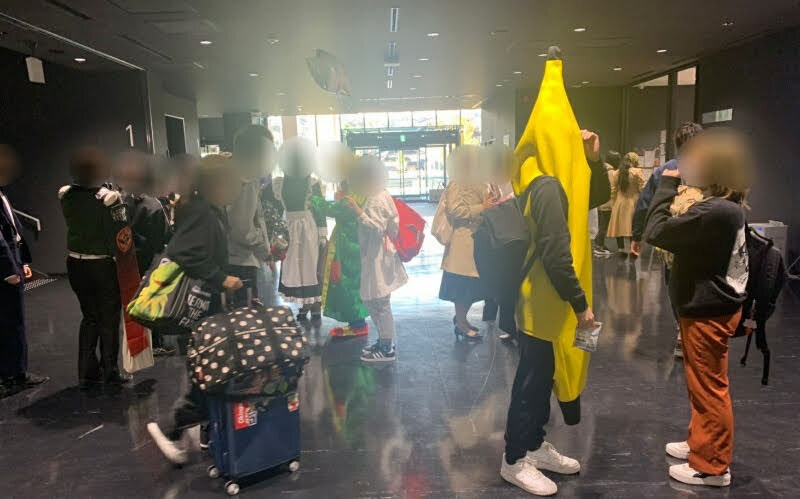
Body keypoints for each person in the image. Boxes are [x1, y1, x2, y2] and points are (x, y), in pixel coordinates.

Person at [500, 53, 604, 496]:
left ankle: (535, 444)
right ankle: (514, 458)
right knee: (532, 381)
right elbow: (557, 253)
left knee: (541, 377)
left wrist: (593, 160)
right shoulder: (546, 186)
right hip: (543, 301)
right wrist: (582, 306)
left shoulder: (542, 175)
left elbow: (591, 198)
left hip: (544, 298)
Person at [643, 128, 751, 488]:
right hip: (708, 308)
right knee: (702, 383)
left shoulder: (712, 211)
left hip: (708, 311)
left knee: (709, 388)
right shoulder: (723, 208)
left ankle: (712, 466)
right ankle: (700, 442)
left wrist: (666, 185)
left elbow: (656, 230)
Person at [146, 154, 243, 464]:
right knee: (207, 375)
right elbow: (183, 253)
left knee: (209, 373)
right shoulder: (202, 213)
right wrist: (221, 278)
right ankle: (172, 428)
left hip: (205, 309)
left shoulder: (206, 209)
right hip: (199, 310)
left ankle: (202, 433)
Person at [59, 147, 132, 388]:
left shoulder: (65, 194)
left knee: (90, 317)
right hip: (101, 264)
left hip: (75, 264)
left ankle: (87, 372)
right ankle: (110, 371)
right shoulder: (109, 198)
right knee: (109, 319)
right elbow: (121, 233)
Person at [631, 122, 704, 357]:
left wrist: (637, 235)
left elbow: (645, 204)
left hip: (672, 241)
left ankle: (682, 333)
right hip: (703, 240)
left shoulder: (667, 170)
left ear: (677, 144)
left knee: (675, 285)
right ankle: (697, 333)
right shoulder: (711, 169)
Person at [342, 156, 408, 362]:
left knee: (379, 302)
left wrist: (358, 211)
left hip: (378, 257)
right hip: (377, 255)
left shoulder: (377, 198)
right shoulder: (380, 193)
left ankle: (386, 347)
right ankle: (383, 341)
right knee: (375, 300)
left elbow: (378, 227)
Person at [113, 152, 174, 356]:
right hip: (150, 259)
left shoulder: (122, 202)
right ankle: (156, 343)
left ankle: (139, 343)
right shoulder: (153, 205)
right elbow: (164, 235)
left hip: (129, 260)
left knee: (134, 300)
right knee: (153, 299)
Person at [0, 145, 48, 397]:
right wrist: (9, 269)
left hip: (14, 260)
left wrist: (24, 262)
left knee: (14, 322)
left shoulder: (3, 194)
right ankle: (10, 376)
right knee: (9, 323)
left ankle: (17, 372)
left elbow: (13, 230)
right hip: (4, 269)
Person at [264, 138, 326, 317]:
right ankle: (305, 304)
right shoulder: (278, 183)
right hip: (289, 227)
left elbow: (319, 209)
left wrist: (322, 234)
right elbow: (268, 205)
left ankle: (315, 303)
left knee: (310, 264)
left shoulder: (312, 183)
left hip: (307, 227)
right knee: (294, 265)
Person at [311, 155, 370, 337]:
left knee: (348, 284)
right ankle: (357, 323)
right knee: (352, 283)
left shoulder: (351, 197)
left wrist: (314, 196)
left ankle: (358, 325)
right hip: (356, 244)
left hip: (348, 248)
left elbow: (331, 209)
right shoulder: (361, 191)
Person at [438, 145, 491, 342]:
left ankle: (462, 320)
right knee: (463, 287)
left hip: (476, 239)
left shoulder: (480, 180)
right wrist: (482, 206)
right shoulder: (457, 182)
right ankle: (461, 324)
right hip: (462, 241)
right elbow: (454, 210)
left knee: (471, 286)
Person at [227, 125, 275, 306]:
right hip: (240, 260)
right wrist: (264, 249)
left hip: (227, 258)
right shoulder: (246, 179)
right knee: (245, 314)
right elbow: (242, 227)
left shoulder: (229, 170)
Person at [480, 143, 518, 341]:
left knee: (508, 282)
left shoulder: (515, 177)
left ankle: (509, 325)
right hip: (498, 234)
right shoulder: (488, 180)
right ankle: (495, 315)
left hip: (512, 235)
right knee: (499, 279)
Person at [606, 152, 645, 255]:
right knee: (633, 226)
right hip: (634, 202)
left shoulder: (616, 173)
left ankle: (621, 249)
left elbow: (613, 190)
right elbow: (642, 188)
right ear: (634, 161)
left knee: (619, 226)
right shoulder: (637, 172)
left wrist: (613, 204)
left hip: (619, 202)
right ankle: (633, 249)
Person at [593, 150, 620, 256]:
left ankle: (600, 244)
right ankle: (598, 246)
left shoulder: (603, 169)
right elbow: (613, 189)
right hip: (608, 203)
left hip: (602, 203)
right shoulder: (611, 172)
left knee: (602, 226)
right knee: (604, 226)